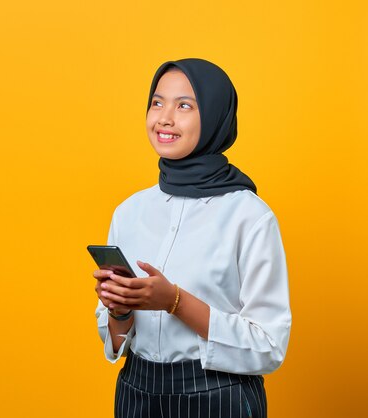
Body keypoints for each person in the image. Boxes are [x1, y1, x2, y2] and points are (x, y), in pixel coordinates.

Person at [93, 58, 291, 418]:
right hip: (135, 394)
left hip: (218, 397)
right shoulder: (129, 211)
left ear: (215, 116)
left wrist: (176, 302)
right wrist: (120, 308)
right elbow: (118, 341)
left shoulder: (249, 216)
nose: (164, 118)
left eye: (184, 105)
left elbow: (269, 346)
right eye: (157, 102)